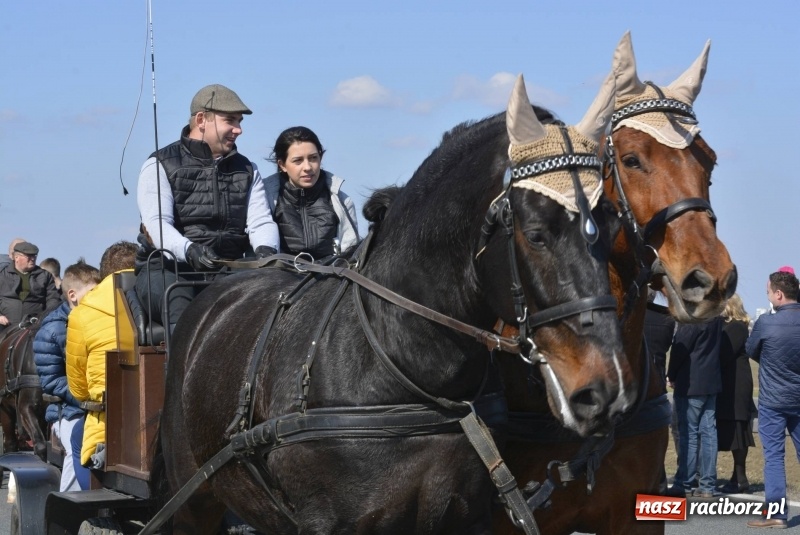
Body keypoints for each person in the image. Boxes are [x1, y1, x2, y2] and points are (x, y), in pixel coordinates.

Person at [134, 84, 279, 333]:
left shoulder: (247, 169)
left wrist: (266, 250)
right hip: (170, 271)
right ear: (201, 120)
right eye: (230, 121)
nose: (239, 130)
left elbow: (261, 222)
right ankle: (177, 371)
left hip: (227, 269)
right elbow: (157, 224)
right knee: (179, 304)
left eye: (240, 122)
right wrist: (189, 250)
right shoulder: (158, 165)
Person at [66, 241, 138, 487]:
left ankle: (93, 499)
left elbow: (77, 385)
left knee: (78, 437)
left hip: (111, 418)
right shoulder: (163, 293)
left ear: (105, 272)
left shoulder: (82, 313)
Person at [34, 260, 101, 491]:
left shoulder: (98, 321)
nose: (98, 298)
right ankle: (73, 505)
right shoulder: (52, 330)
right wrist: (87, 399)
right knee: (79, 446)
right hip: (67, 411)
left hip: (98, 405)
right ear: (72, 295)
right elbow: (52, 381)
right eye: (92, 293)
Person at [745, 270, 800, 529]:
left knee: (774, 457)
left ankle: (777, 514)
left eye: (768, 292)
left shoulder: (766, 323)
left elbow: (751, 350)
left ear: (778, 294)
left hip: (773, 400)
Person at [265, 126, 359, 258]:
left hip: (329, 276)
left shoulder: (341, 201)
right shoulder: (265, 199)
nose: (308, 167)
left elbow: (350, 254)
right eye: (298, 160)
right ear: (282, 165)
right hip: (278, 276)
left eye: (313, 158)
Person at [666, 315, 723, 498]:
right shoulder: (716, 317)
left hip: (690, 383)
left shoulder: (693, 320)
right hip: (710, 381)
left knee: (688, 434)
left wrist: (671, 374)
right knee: (709, 433)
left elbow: (680, 349)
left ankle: (684, 481)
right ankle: (708, 484)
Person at [715, 293, 756, 494]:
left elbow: (723, 353)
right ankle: (736, 477)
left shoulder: (737, 327)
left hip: (736, 385)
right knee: (729, 428)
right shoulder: (726, 326)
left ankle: (740, 477)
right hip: (728, 384)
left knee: (738, 430)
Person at [0, 241, 60, 336]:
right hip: (5, 326)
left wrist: (45, 316)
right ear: (16, 257)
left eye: (34, 256)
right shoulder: (2, 275)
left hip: (34, 326)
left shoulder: (44, 276)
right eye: (29, 256)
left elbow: (53, 299)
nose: (33, 259)